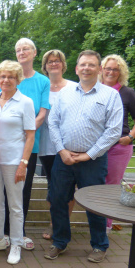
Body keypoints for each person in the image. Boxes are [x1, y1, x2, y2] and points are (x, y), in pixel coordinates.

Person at [45, 50, 123, 263]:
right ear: (77, 68)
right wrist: (61, 150)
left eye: (91, 65)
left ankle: (99, 245)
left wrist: (88, 155)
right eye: (83, 64)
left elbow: (114, 131)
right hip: (64, 158)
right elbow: (53, 122)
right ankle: (59, 242)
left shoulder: (110, 95)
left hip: (93, 161)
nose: (86, 68)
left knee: (94, 204)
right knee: (59, 200)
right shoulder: (65, 93)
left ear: (99, 69)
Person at [0, 60, 36, 265]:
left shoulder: (25, 102)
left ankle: (16, 243)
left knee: (15, 205)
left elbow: (30, 136)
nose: (6, 80)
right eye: (3, 76)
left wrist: (24, 163)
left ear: (18, 79)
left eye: (11, 76)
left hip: (14, 162)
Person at [2, 38, 50, 250]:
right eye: (18, 49)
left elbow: (43, 112)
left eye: (26, 49)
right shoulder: (7, 78)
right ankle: (4, 233)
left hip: (30, 144)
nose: (21, 52)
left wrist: (26, 132)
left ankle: (19, 233)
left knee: (24, 190)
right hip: (6, 146)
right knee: (4, 191)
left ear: (34, 52)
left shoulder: (42, 82)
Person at [99, 54, 135, 232]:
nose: (111, 72)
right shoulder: (94, 89)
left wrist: (130, 137)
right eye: (108, 68)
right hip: (95, 147)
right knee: (93, 185)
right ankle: (96, 223)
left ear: (121, 72)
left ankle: (106, 226)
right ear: (101, 70)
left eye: (115, 69)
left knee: (111, 187)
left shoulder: (127, 92)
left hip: (118, 148)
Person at [38, 50, 77, 240]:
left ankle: (62, 224)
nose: (54, 64)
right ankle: (55, 222)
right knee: (52, 186)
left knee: (67, 187)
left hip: (69, 146)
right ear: (44, 66)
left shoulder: (74, 87)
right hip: (46, 146)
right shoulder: (43, 87)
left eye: (57, 61)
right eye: (50, 62)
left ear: (63, 64)